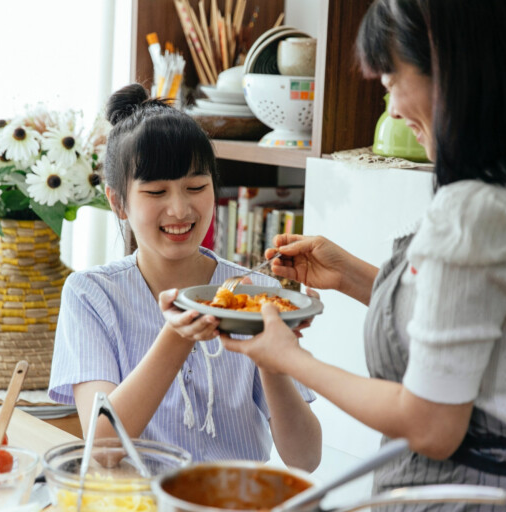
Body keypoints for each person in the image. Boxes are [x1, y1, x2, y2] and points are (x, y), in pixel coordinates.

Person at [221, 0, 506, 510]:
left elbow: (431, 425)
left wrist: (289, 358)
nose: (393, 108)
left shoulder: (474, 213)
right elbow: (478, 323)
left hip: (460, 495)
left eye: (393, 79)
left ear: (450, 67)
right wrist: (351, 274)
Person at [48, 83, 321, 471]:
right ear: (117, 202)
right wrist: (177, 333)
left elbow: (306, 459)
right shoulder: (91, 295)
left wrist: (272, 359)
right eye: (156, 192)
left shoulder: (258, 294)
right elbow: (103, 447)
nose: (180, 209)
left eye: (196, 187)